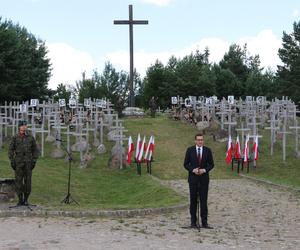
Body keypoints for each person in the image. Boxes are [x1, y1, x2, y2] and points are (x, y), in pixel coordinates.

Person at [184, 133, 214, 229]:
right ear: (195, 141)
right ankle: (193, 222)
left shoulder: (207, 150)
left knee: (203, 201)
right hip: (193, 179)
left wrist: (204, 170)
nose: (200, 141)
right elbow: (186, 164)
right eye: (198, 140)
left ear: (203, 141)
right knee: (193, 201)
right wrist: (193, 170)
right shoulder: (190, 150)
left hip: (204, 179)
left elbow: (211, 164)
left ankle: (204, 222)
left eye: (201, 140)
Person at [8, 120, 39, 206]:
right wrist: (12, 160)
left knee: (28, 182)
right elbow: (10, 150)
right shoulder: (15, 137)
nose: (24, 127)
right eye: (22, 125)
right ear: (19, 127)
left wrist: (34, 161)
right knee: (18, 182)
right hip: (18, 163)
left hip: (28, 164)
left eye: (25, 125)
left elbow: (35, 150)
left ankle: (26, 200)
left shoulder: (30, 137)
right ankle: (20, 200)